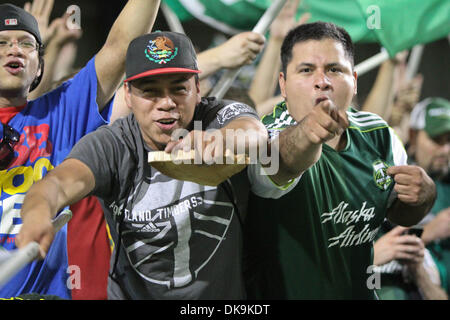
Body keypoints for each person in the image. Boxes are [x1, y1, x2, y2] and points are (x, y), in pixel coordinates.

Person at [15, 31, 298, 300]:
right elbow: (58, 182)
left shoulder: (216, 116)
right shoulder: (113, 144)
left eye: (179, 89)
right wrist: (38, 212)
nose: (166, 103)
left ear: (197, 89)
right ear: (127, 94)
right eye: (150, 92)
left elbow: (254, 131)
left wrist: (218, 140)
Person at [243, 21, 436, 299]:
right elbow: (281, 158)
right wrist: (308, 133)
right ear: (283, 84)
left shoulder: (379, 134)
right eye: (306, 70)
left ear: (354, 81)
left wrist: (425, 195)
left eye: (334, 69)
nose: (322, 81)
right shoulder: (264, 132)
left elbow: (399, 212)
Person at [0, 1, 161, 299]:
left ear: (39, 67)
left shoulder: (62, 111)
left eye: (28, 43)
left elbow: (122, 46)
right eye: (2, 42)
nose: (15, 49)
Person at [408, 97, 450, 295]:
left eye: (449, 140)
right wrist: (429, 232)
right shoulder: (393, 183)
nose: (445, 150)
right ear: (413, 136)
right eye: (436, 140)